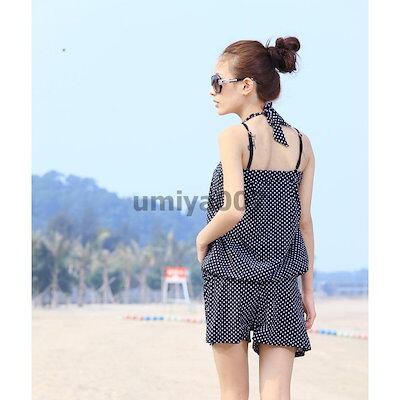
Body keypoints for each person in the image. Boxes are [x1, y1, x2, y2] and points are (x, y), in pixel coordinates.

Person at [196, 37, 316, 400]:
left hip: (230, 276)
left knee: (233, 393)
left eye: (218, 82)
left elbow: (233, 208)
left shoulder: (234, 137)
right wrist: (308, 291)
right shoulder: (302, 144)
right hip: (282, 281)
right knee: (277, 393)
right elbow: (304, 222)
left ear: (246, 85)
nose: (212, 91)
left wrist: (202, 239)